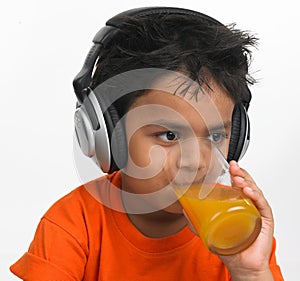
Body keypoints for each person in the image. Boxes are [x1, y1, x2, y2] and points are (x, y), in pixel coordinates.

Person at [10, 6, 284, 281]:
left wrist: (250, 271)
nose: (197, 162)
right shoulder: (73, 224)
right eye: (169, 135)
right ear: (110, 137)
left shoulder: (239, 235)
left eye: (214, 136)